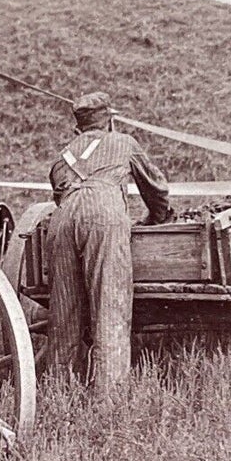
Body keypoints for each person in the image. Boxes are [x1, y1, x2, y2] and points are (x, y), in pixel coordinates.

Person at [47, 91, 173, 391]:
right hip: (103, 215)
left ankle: (57, 392)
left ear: (78, 127)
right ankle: (109, 399)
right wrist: (158, 217)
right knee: (109, 304)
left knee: (63, 312)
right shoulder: (124, 143)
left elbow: (59, 193)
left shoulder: (63, 155)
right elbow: (156, 188)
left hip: (62, 220)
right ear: (110, 121)